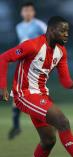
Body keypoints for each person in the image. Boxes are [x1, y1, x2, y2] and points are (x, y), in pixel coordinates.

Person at [0, 16, 73, 157]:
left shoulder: (61, 51)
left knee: (48, 140)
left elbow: (65, 81)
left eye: (68, 31)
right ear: (51, 30)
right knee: (62, 121)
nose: (66, 34)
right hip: (24, 94)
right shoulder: (31, 45)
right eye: (62, 30)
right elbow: (4, 58)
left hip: (41, 95)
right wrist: (2, 86)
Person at [9, 1, 47, 140]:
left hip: (36, 63)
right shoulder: (19, 26)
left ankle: (45, 119)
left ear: (33, 12)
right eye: (25, 11)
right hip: (24, 62)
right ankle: (16, 125)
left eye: (30, 11)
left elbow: (49, 39)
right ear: (21, 12)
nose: (27, 13)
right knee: (19, 92)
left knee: (31, 91)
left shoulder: (40, 25)